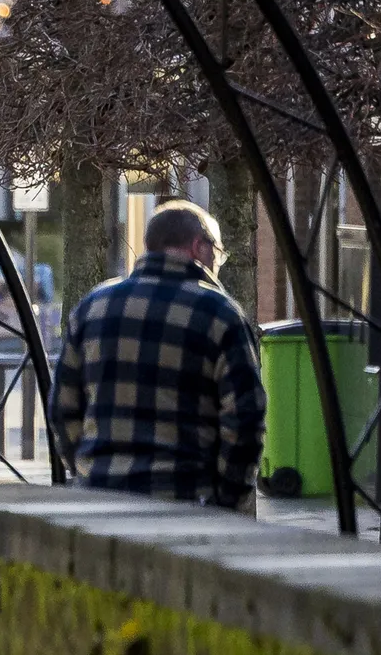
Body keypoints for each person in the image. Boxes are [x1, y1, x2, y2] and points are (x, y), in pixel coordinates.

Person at [49, 198, 265, 510]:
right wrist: (228, 498)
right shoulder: (220, 314)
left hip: (99, 497)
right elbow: (245, 418)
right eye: (218, 252)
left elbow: (63, 407)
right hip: (185, 498)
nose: (218, 262)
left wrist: (85, 469)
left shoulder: (93, 307)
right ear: (198, 247)